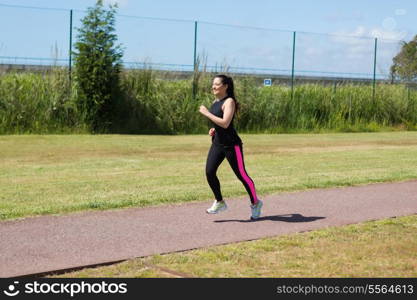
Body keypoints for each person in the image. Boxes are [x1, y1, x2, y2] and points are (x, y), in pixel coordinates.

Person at [199, 74, 263, 220]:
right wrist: (214, 129)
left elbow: (226, 123)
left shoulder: (229, 102)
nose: (213, 86)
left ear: (225, 86)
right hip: (217, 143)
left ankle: (256, 203)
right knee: (209, 172)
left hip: (231, 145)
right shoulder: (216, 101)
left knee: (242, 175)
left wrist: (207, 113)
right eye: (213, 84)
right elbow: (220, 123)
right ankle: (220, 202)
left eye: (216, 84)